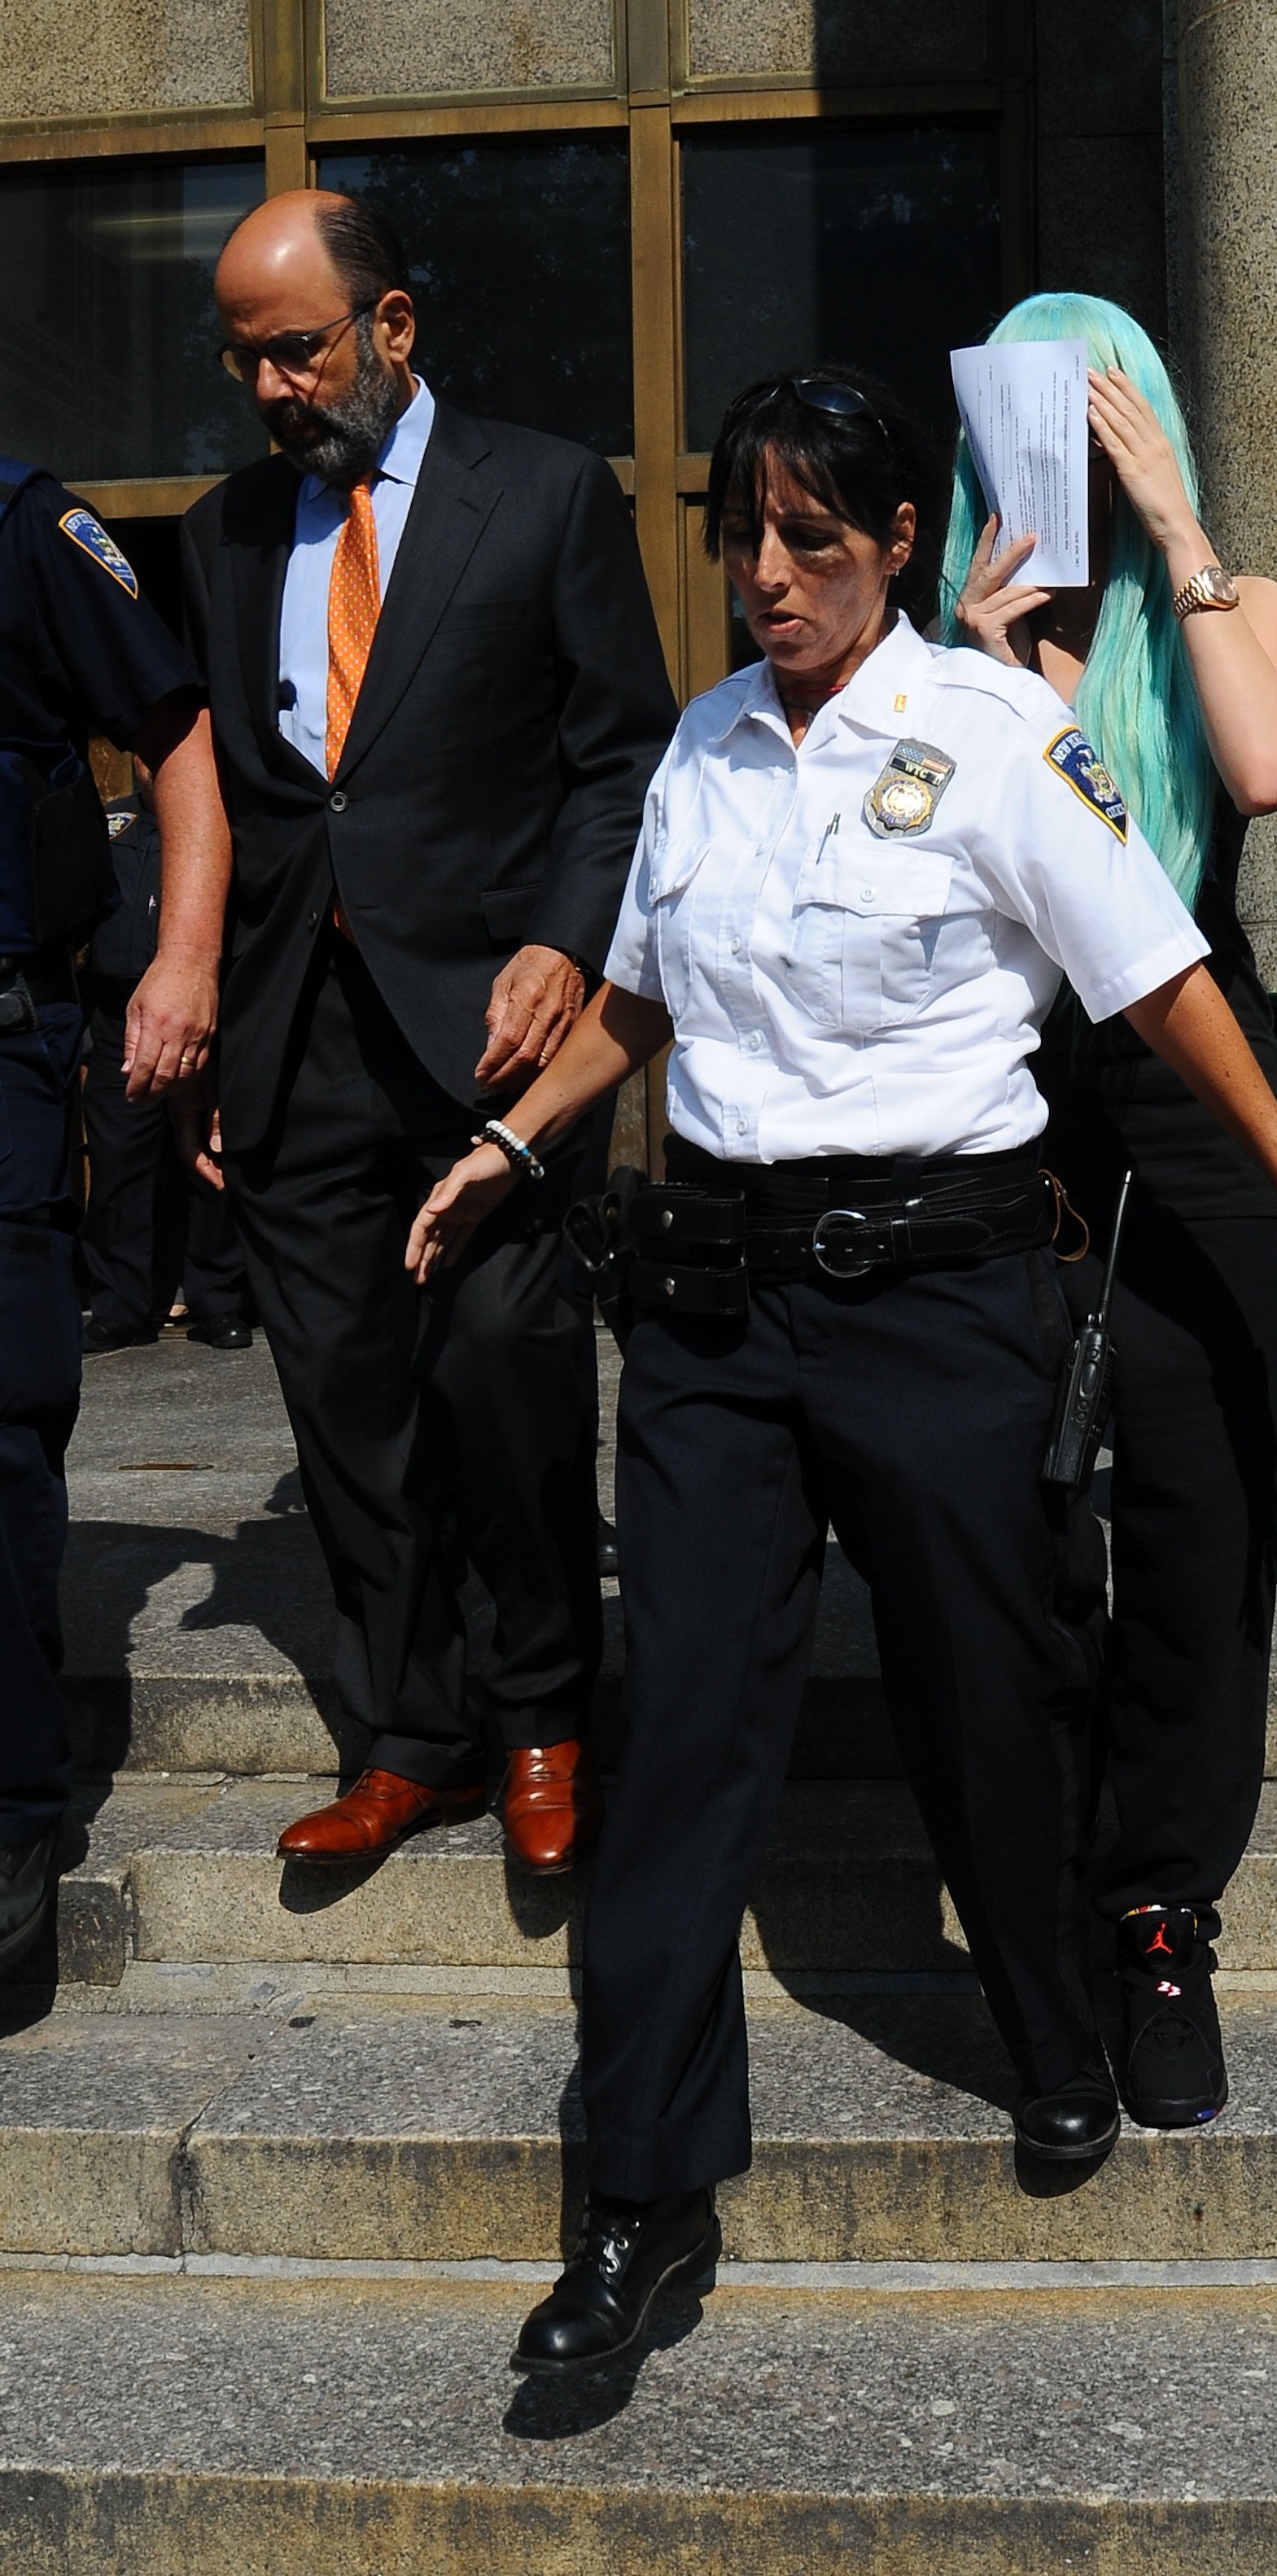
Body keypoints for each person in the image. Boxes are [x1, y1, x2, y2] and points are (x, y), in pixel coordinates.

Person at [405, 370, 1277, 2373]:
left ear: (898, 543)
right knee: (686, 1732)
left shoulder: (989, 736)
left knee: (991, 1689)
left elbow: (1151, 976)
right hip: (715, 1315)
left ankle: (1052, 2023)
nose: (768, 574)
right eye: (743, 534)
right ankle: (634, 2201)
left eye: (814, 538)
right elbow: (635, 992)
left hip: (938, 1304)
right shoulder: (702, 746)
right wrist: (512, 1137)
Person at [143, 189, 678, 1876]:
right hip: (295, 1030)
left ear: (391, 326)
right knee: (346, 1398)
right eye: (242, 362)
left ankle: (541, 1715)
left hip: (491, 1037)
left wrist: (562, 940)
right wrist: (204, 1009)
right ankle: (414, 1732)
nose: (273, 389)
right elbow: (232, 798)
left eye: (295, 349)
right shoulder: (226, 532)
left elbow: (622, 760)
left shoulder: (543, 494)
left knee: (507, 1377)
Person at [942, 289, 1277, 2130]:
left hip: (1193, 1097)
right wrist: (993, 677)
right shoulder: (949, 658)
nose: (1075, 457)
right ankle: (1053, 1872)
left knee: (1194, 1515)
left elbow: (1254, 771)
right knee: (1015, 1518)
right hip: (1000, 1096)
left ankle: (1161, 1907)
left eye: (1103, 418)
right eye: (1038, 423)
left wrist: (1173, 530)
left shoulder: (1228, 609)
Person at [0, 453, 228, 1968]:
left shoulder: (20, 525)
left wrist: (187, 958)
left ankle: (11, 1817)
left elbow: (179, 740)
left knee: (0, 1422)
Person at [81, 761, 251, 1354]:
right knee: (118, 1168)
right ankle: (120, 1305)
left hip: (209, 1010)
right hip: (118, 1015)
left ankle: (218, 1300)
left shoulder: (222, 821)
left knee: (211, 1159)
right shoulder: (109, 824)